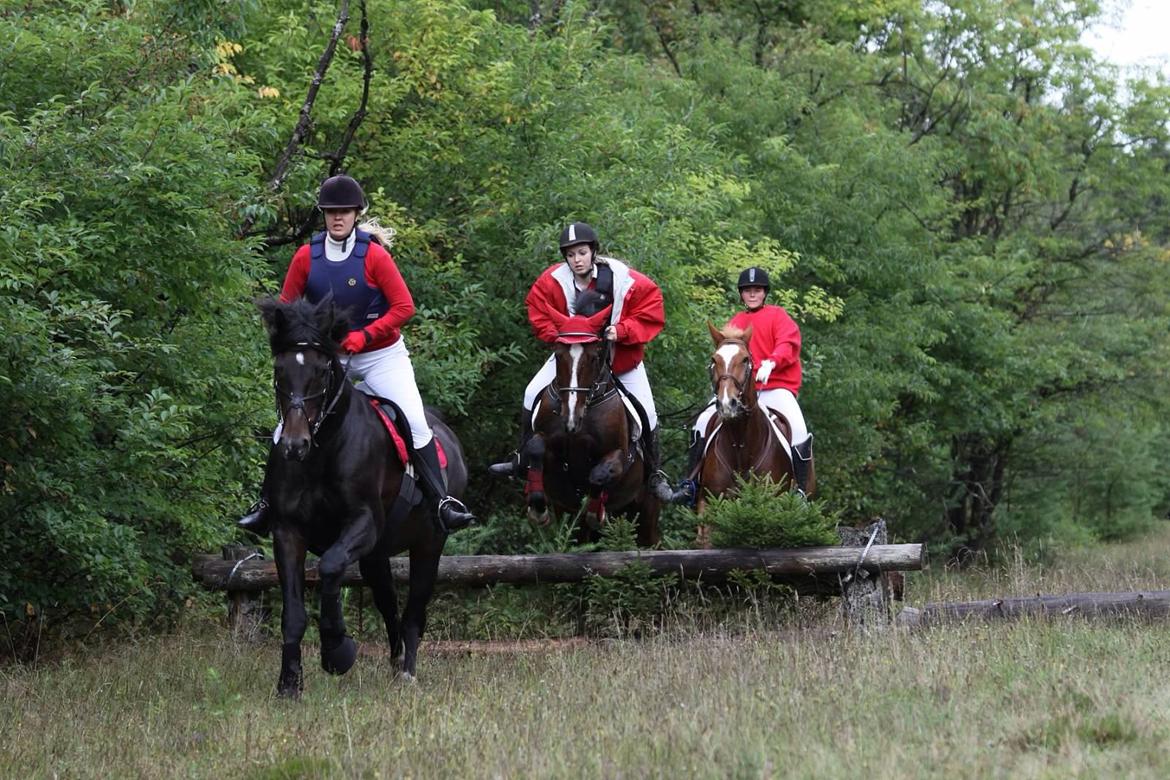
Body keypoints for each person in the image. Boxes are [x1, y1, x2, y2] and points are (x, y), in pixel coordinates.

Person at [238, 174, 476, 533]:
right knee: (285, 426)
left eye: (345, 212)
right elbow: (285, 309)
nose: (338, 218)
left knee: (414, 422)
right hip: (328, 359)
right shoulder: (306, 256)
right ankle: (267, 503)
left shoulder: (374, 257)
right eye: (331, 211)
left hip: (381, 355)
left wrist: (365, 336)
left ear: (355, 214)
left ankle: (441, 502)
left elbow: (404, 307)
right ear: (324, 214)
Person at [488, 221, 676, 502]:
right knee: (530, 393)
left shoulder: (624, 279)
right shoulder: (552, 281)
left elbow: (652, 307)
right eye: (571, 255)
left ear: (593, 252)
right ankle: (521, 459)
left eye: (582, 253)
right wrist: (562, 337)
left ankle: (654, 474)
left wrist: (621, 331)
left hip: (620, 359)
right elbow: (538, 315)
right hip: (572, 359)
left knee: (647, 413)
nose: (577, 260)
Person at [674, 266, 814, 502]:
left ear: (764, 293)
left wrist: (772, 362)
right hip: (740, 391)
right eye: (747, 290)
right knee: (701, 422)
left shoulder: (778, 315)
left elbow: (789, 343)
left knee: (798, 430)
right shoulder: (736, 321)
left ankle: (800, 491)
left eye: (757, 290)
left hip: (775, 388)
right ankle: (691, 485)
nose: (752, 294)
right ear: (741, 294)